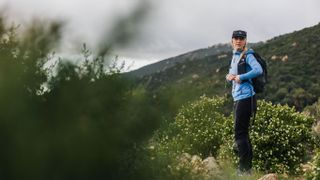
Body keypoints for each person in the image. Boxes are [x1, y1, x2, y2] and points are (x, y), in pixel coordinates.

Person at [226, 30, 263, 175]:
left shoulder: (248, 55)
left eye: (241, 38)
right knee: (243, 134)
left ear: (245, 41)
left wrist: (241, 76)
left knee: (239, 134)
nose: (238, 40)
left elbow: (258, 70)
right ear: (232, 41)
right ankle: (247, 169)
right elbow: (233, 73)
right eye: (236, 38)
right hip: (238, 98)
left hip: (246, 98)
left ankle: (243, 170)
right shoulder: (235, 56)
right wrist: (229, 76)